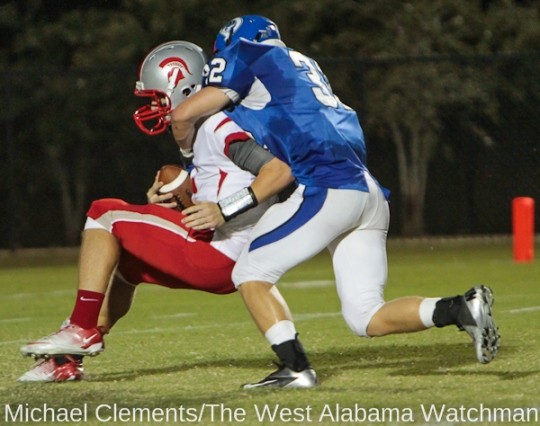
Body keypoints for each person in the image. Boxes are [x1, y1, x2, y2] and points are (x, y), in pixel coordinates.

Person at [169, 15, 500, 389]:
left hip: (327, 186)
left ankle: (296, 369)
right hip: (369, 194)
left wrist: (188, 161)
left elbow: (182, 114)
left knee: (250, 274)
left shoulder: (247, 55)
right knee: (365, 316)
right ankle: (461, 308)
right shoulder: (304, 66)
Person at [18, 40, 294, 382]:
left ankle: (80, 328)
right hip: (228, 251)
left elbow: (278, 171)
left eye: (159, 97)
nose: (155, 105)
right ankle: (66, 361)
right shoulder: (204, 127)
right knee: (126, 263)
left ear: (186, 89)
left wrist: (223, 210)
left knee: (104, 212)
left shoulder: (221, 125)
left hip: (222, 253)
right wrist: (175, 195)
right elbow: (221, 178)